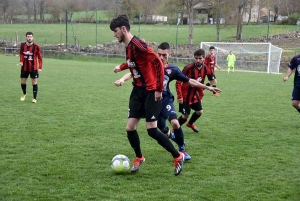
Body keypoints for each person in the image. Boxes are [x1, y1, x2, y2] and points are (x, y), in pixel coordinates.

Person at [115, 42, 221, 161]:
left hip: (165, 100)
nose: (161, 57)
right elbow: (132, 72)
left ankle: (182, 149)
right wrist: (122, 79)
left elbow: (189, 80)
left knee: (175, 122)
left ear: (169, 55)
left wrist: (208, 87)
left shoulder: (173, 69)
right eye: (159, 54)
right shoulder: (150, 65)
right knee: (161, 131)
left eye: (164, 55)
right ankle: (173, 139)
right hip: (152, 101)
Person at [110, 14, 184, 176]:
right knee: (130, 128)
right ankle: (139, 157)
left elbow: (157, 61)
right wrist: (121, 67)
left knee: (152, 130)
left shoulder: (139, 44)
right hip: (137, 91)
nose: (114, 34)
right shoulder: (129, 47)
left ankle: (178, 156)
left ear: (123, 29)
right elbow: (134, 64)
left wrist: (158, 89)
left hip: (150, 91)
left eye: (115, 31)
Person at [176, 49, 221, 133]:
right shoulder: (188, 68)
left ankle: (190, 124)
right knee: (185, 115)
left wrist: (201, 95)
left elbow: (203, 83)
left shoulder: (205, 68)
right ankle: (174, 130)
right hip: (185, 95)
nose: (198, 60)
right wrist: (179, 96)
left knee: (199, 112)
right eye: (196, 58)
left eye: (200, 58)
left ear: (203, 58)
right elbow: (178, 82)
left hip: (195, 94)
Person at [19, 31, 43, 103]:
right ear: (26, 37)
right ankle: (24, 93)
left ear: (33, 37)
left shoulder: (36, 46)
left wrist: (40, 67)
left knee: (34, 82)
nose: (29, 38)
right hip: (24, 67)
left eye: (31, 37)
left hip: (33, 68)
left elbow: (39, 57)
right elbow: (21, 54)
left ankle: (34, 98)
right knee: (23, 82)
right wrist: (21, 61)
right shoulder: (22, 45)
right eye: (28, 37)